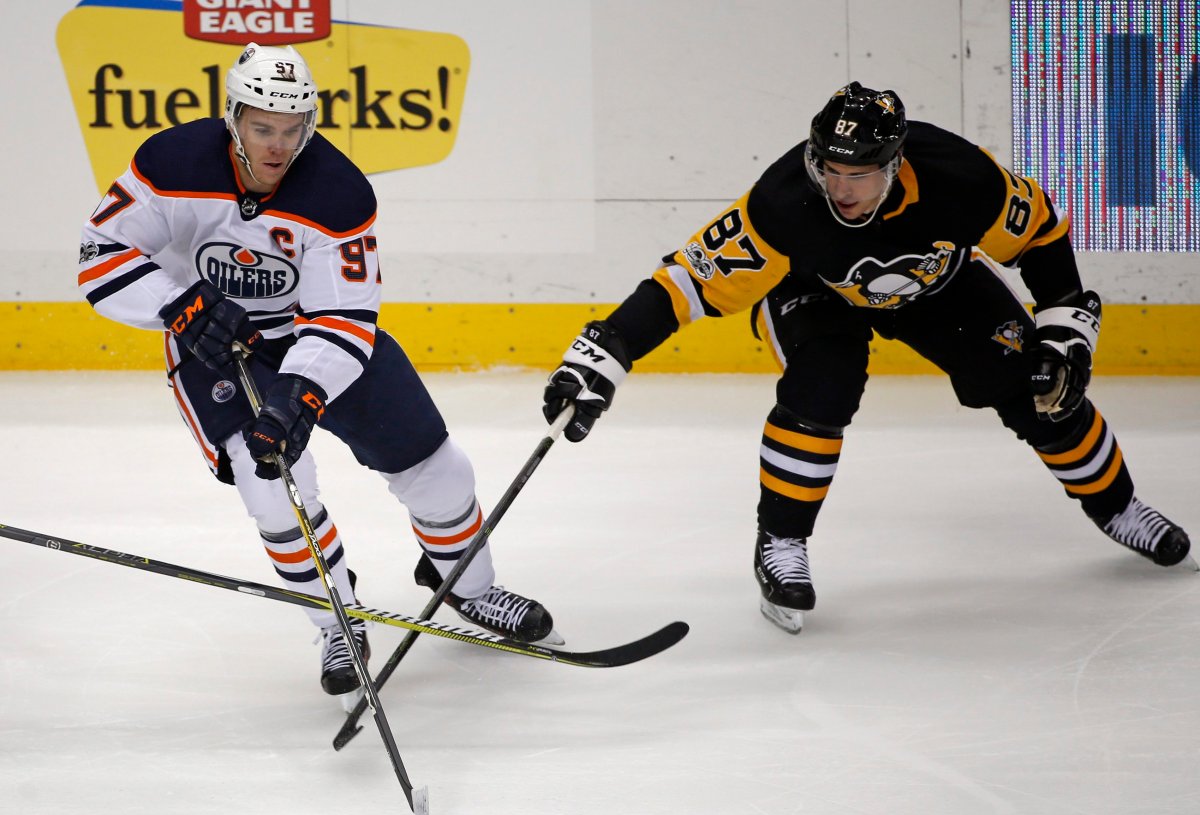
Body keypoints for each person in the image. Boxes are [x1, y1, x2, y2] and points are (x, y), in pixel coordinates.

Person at [542, 81, 1194, 634]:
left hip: (935, 283)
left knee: (1036, 384)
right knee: (825, 381)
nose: (841, 188)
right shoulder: (783, 202)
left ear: (895, 163)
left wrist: (1063, 329)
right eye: (831, 169)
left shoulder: (961, 178)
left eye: (859, 174)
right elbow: (686, 281)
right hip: (813, 291)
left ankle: (1117, 505)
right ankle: (782, 540)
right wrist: (609, 348)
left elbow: (1042, 234)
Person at [78, 42, 560, 702]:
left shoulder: (337, 192)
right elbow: (100, 253)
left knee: (440, 470)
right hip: (217, 348)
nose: (278, 146)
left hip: (316, 340)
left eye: (292, 129)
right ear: (233, 118)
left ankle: (471, 589)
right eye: (262, 128)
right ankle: (337, 621)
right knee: (274, 485)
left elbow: (342, 315)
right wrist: (180, 304)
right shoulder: (171, 163)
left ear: (310, 125)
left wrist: (298, 395)